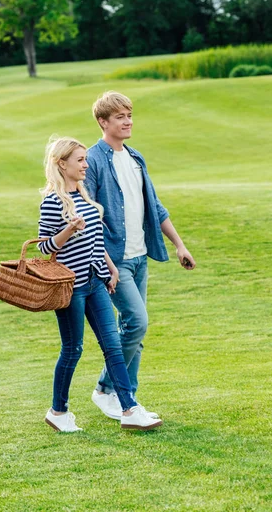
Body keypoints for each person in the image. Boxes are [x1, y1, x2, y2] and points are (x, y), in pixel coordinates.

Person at [38, 136, 162, 432]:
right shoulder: (53, 201)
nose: (85, 164)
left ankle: (129, 408)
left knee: (113, 347)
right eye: (79, 160)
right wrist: (69, 228)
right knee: (73, 349)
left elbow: (94, 241)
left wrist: (107, 269)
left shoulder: (83, 197)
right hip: (71, 288)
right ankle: (58, 411)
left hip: (95, 284)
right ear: (61, 164)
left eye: (85, 158)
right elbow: (44, 247)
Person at [85, 91, 196, 421]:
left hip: (140, 256)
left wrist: (179, 244)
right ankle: (108, 390)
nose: (128, 121)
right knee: (137, 323)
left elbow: (155, 206)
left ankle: (126, 399)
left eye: (129, 115)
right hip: (114, 261)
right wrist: (104, 260)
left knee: (136, 329)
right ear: (103, 122)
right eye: (120, 117)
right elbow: (89, 214)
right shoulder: (92, 160)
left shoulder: (135, 158)